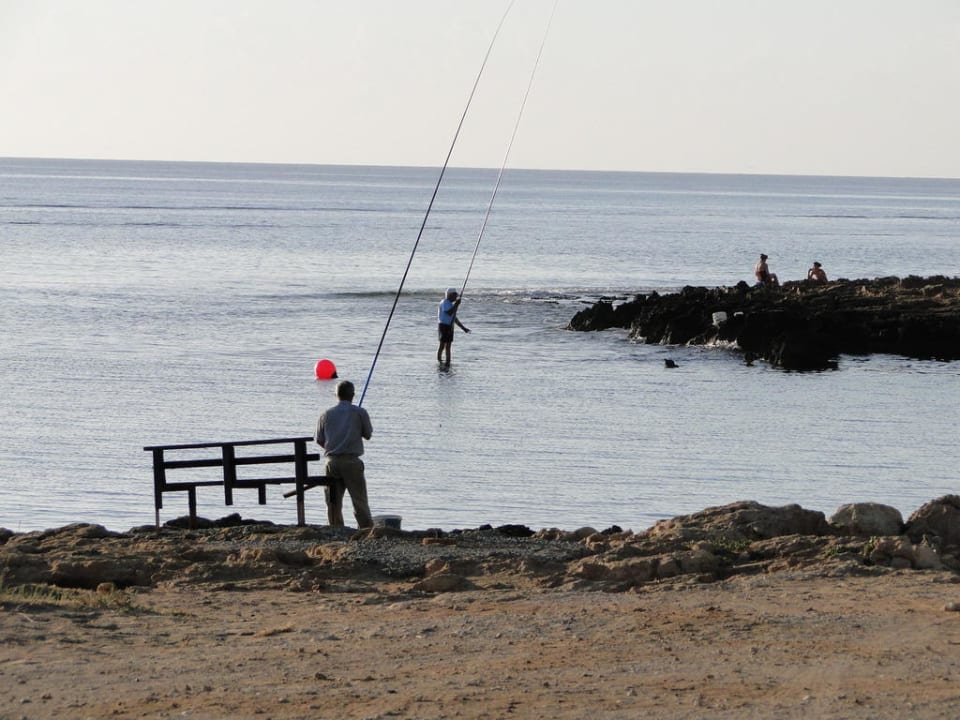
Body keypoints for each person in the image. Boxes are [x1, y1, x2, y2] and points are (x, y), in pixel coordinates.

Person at [314, 380, 373, 529]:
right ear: (352, 395)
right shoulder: (360, 412)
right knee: (359, 500)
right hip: (352, 462)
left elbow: (320, 440)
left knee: (332, 501)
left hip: (331, 461)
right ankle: (365, 529)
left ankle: (335, 528)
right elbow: (368, 435)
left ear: (336, 395)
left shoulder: (326, 414)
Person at [437, 287, 470, 366]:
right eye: (455, 296)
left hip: (449, 326)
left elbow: (454, 317)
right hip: (444, 326)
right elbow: (449, 313)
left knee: (448, 346)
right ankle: (442, 361)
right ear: (450, 295)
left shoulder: (450, 304)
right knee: (443, 345)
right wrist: (456, 304)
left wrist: (463, 328)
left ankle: (447, 362)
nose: (456, 297)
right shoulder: (445, 302)